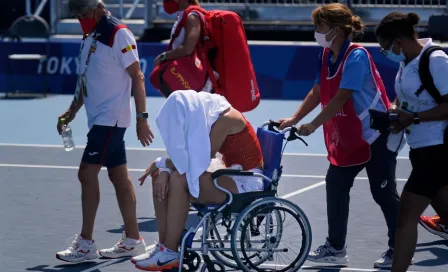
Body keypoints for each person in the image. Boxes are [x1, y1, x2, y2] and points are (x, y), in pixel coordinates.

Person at [277, 3, 402, 268]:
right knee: (335, 184)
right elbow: (317, 91)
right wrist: (295, 119)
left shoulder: (356, 56)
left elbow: (342, 95)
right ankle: (336, 248)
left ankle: (399, 247)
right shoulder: (325, 55)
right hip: (350, 138)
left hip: (376, 135)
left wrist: (313, 125)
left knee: (383, 194)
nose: (316, 32)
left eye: (319, 27)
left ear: (336, 30)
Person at [55, 0, 154, 262]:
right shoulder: (90, 35)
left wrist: (142, 118)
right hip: (98, 119)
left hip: (110, 120)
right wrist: (71, 111)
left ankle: (85, 243)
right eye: (76, 16)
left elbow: (138, 76)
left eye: (84, 14)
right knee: (119, 177)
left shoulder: (118, 32)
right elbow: (86, 80)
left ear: (98, 7)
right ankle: (134, 240)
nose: (80, 19)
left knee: (86, 173)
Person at [130, 90, 264, 271]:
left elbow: (199, 159)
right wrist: (163, 169)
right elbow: (188, 156)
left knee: (179, 180)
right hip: (228, 173)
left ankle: (170, 251)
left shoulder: (225, 119)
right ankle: (163, 246)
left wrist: (162, 163)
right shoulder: (209, 113)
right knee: (161, 176)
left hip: (248, 182)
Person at [375, 12, 448, 272]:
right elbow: (406, 97)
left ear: (399, 41)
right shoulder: (405, 62)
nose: (386, 53)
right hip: (419, 149)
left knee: (406, 216)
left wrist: (413, 118)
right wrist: (396, 110)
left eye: (385, 48)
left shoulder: (437, 60)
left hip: (439, 149)